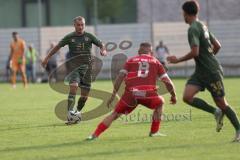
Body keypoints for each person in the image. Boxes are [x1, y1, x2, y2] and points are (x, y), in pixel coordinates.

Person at [167, 0, 240, 142]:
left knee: (222, 102)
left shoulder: (193, 28)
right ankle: (216, 112)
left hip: (211, 72)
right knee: (187, 97)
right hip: (201, 72)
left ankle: (239, 130)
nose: (183, 16)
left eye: (182, 13)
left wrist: (178, 60)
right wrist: (209, 57)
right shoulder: (203, 26)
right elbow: (217, 46)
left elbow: (195, 52)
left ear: (186, 13)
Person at [87, 42, 177, 140]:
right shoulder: (156, 62)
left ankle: (94, 135)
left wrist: (113, 95)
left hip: (131, 94)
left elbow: (120, 77)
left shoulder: (131, 61)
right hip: (148, 94)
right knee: (160, 102)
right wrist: (173, 95)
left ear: (139, 51)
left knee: (114, 115)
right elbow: (168, 82)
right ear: (151, 52)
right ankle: (154, 132)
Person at [42, 16, 107, 124]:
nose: (80, 27)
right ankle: (70, 114)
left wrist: (103, 51)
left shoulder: (89, 36)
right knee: (74, 86)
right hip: (74, 67)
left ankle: (76, 113)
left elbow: (101, 45)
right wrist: (46, 58)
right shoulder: (69, 37)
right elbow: (57, 47)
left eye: (82, 25)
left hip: (87, 69)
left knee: (84, 97)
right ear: (74, 25)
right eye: (78, 25)